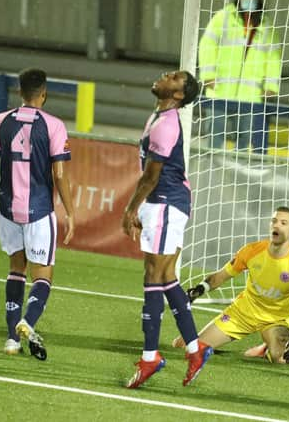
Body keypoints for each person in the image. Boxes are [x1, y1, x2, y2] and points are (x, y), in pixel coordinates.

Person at [0, 68, 75, 361]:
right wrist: (70, 213)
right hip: (38, 210)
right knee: (43, 274)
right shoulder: (54, 125)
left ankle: (11, 339)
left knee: (15, 269)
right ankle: (28, 321)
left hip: (7, 209)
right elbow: (59, 175)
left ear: (19, 93)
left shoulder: (0, 121)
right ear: (44, 94)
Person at [121, 70, 212, 388]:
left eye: (173, 78)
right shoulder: (160, 116)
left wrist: (131, 208)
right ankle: (195, 348)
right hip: (164, 202)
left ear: (178, 94)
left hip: (165, 202)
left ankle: (150, 358)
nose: (164, 76)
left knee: (153, 277)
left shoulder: (167, 124)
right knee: (168, 279)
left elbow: (151, 176)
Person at [172, 207, 289, 364]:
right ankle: (193, 339)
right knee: (190, 349)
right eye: (274, 221)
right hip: (243, 313)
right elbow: (221, 276)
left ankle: (267, 348)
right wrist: (199, 289)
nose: (277, 226)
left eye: (283, 223)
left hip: (277, 320)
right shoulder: (252, 251)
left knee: (281, 358)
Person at [199, 0, 282, 150]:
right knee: (215, 135)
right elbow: (207, 45)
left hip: (250, 95)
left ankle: (239, 170)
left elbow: (274, 57)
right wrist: (208, 76)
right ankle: (212, 166)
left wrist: (271, 86)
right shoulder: (223, 18)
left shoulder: (267, 27)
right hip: (219, 90)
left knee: (245, 140)